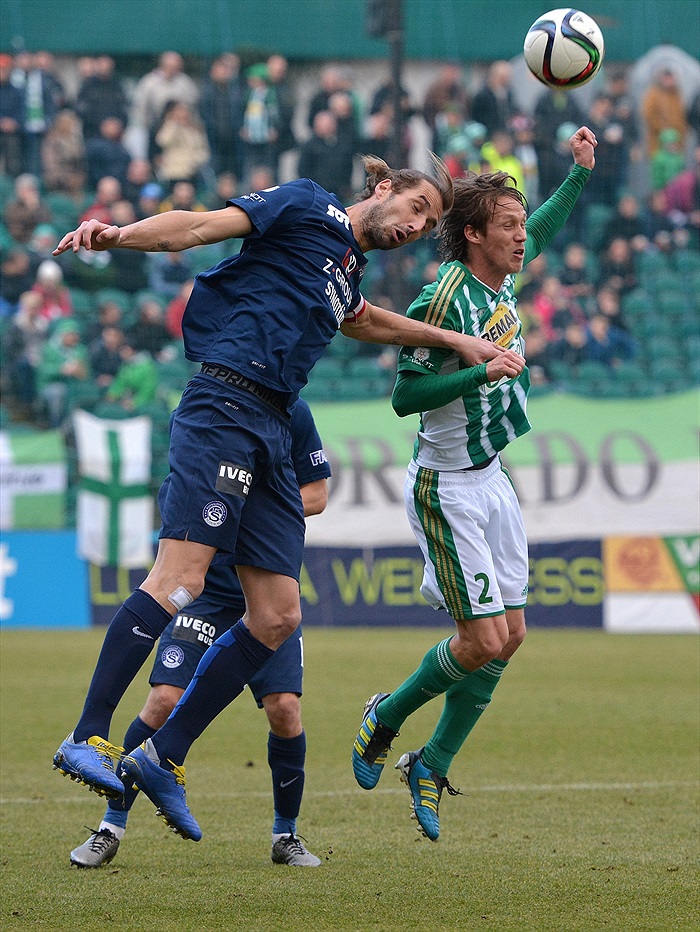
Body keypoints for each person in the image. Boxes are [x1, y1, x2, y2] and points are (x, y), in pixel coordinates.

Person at [50, 152, 508, 843]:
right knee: (181, 579)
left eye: (429, 223)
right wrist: (118, 234)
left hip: (272, 421)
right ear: (383, 189)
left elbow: (364, 322)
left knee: (276, 615)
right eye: (416, 207)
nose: (417, 226)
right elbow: (199, 226)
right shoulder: (305, 205)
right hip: (224, 402)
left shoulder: (346, 268)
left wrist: (452, 340)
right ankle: (87, 734)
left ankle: (161, 756)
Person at [351, 126, 597, 842]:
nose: (523, 238)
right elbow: (404, 397)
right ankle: (386, 717)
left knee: (510, 636)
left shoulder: (504, 274)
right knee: (481, 639)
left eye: (521, 228)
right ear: (474, 236)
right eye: (509, 228)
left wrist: (578, 174)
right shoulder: (443, 297)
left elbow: (545, 228)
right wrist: (476, 369)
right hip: (446, 486)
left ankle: (431, 762)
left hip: (493, 481)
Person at [69, 398, 330, 869]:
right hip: (209, 594)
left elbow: (317, 493)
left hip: (268, 590)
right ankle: (111, 825)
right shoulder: (209, 421)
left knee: (285, 709)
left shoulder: (294, 412)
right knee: (162, 700)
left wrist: (263, 505)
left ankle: (285, 835)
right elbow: (181, 502)